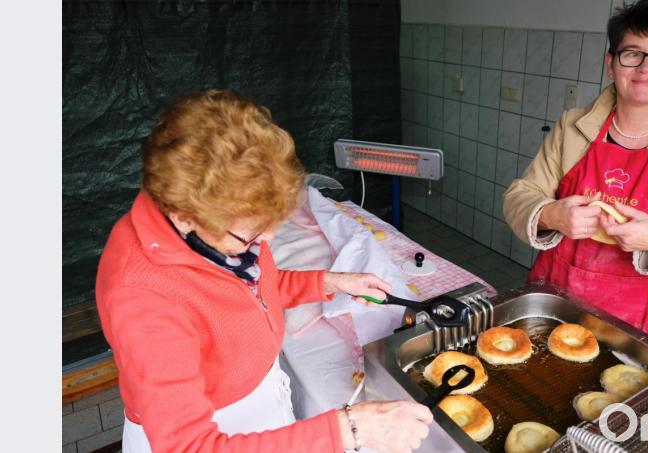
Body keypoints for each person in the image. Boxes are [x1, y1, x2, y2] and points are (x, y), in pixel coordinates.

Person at [95, 89, 432, 452]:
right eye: (251, 233)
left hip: (256, 400)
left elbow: (251, 287)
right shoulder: (143, 296)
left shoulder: (215, 234)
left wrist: (327, 281)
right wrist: (346, 428)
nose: (267, 238)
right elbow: (188, 446)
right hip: (212, 431)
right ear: (183, 216)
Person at [503, 0, 648, 346]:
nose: (646, 67)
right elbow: (519, 195)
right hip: (555, 304)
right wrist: (552, 213)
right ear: (611, 63)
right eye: (632, 53)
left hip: (639, 328)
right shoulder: (573, 127)